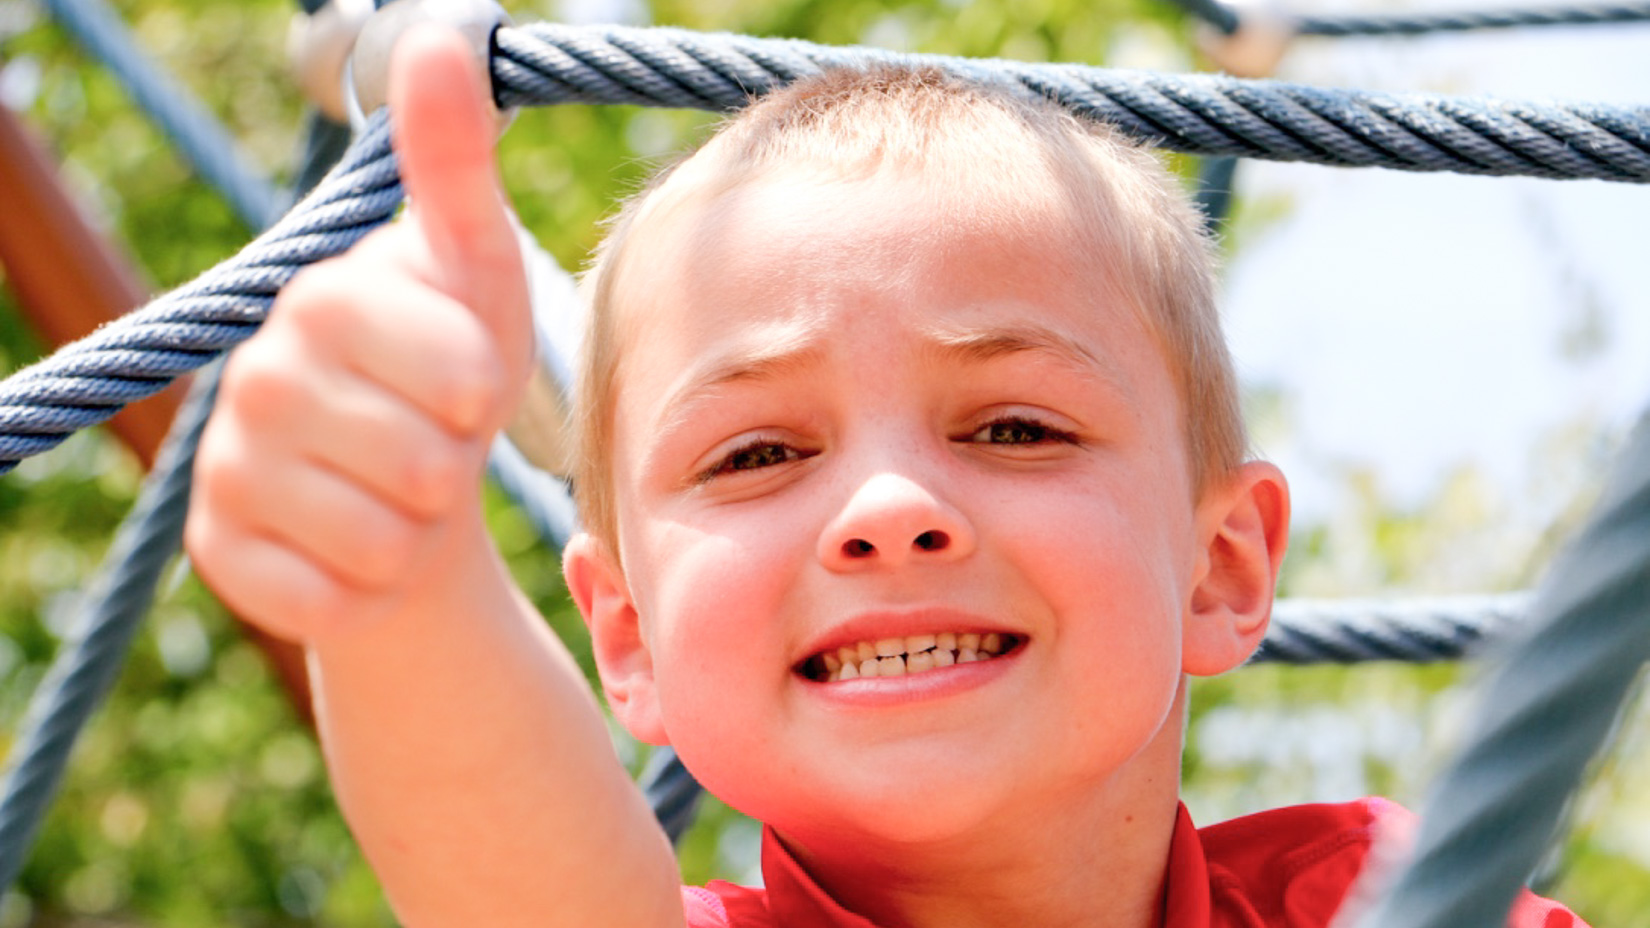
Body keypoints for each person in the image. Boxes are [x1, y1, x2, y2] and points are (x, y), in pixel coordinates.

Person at [184, 24, 1587, 928]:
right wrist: (401, 588)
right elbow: (524, 883)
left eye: (1014, 429)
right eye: (756, 454)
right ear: (629, 638)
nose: (889, 514)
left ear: (1220, 566)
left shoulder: (1377, 899)